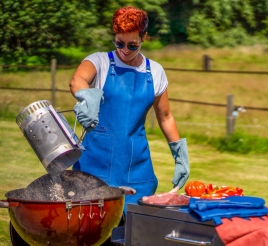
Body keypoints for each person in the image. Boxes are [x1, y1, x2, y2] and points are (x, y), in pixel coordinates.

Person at [69, 6, 190, 208]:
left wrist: (180, 156)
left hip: (137, 169)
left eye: (132, 45)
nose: (125, 51)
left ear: (144, 38)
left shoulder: (156, 72)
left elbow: (166, 116)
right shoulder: (100, 61)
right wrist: (86, 96)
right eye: (119, 43)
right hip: (94, 166)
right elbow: (78, 80)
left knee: (134, 232)